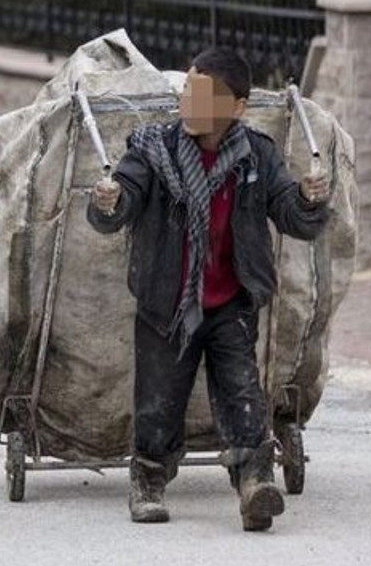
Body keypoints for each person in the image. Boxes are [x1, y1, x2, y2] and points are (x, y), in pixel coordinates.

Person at [86, 48, 330, 531]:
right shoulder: (151, 149)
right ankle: (148, 481)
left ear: (236, 106)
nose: (188, 103)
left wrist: (306, 198)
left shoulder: (256, 154)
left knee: (244, 396)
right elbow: (121, 205)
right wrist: (110, 202)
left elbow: (290, 213)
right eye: (187, 91)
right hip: (166, 305)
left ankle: (255, 483)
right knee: (158, 402)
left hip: (231, 303)